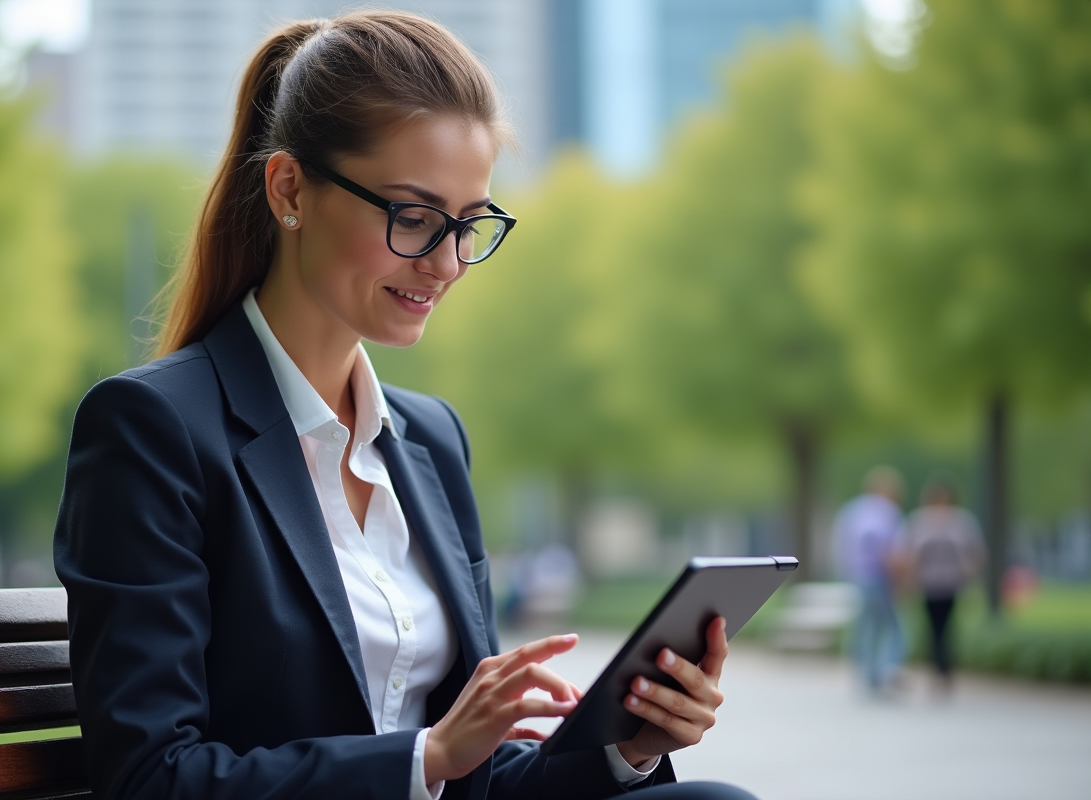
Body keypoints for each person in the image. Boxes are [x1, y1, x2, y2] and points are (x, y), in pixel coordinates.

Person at [53, 11, 756, 800]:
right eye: (415, 218)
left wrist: (623, 748)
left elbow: (477, 780)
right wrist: (422, 758)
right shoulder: (153, 430)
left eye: (470, 225)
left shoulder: (429, 440)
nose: (449, 263)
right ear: (289, 188)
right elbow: (150, 780)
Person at [900, 478, 986, 692]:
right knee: (932, 629)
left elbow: (975, 553)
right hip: (928, 584)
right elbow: (908, 553)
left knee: (947, 628)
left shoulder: (962, 521)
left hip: (951, 583)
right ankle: (938, 670)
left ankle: (945, 670)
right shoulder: (920, 521)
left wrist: (971, 576)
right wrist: (908, 580)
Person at [833, 466, 906, 693]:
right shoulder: (888, 512)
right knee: (893, 628)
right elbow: (890, 550)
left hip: (858, 576)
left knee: (866, 627)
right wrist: (900, 579)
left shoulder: (852, 511)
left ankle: (867, 673)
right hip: (880, 577)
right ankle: (888, 668)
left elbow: (841, 545)